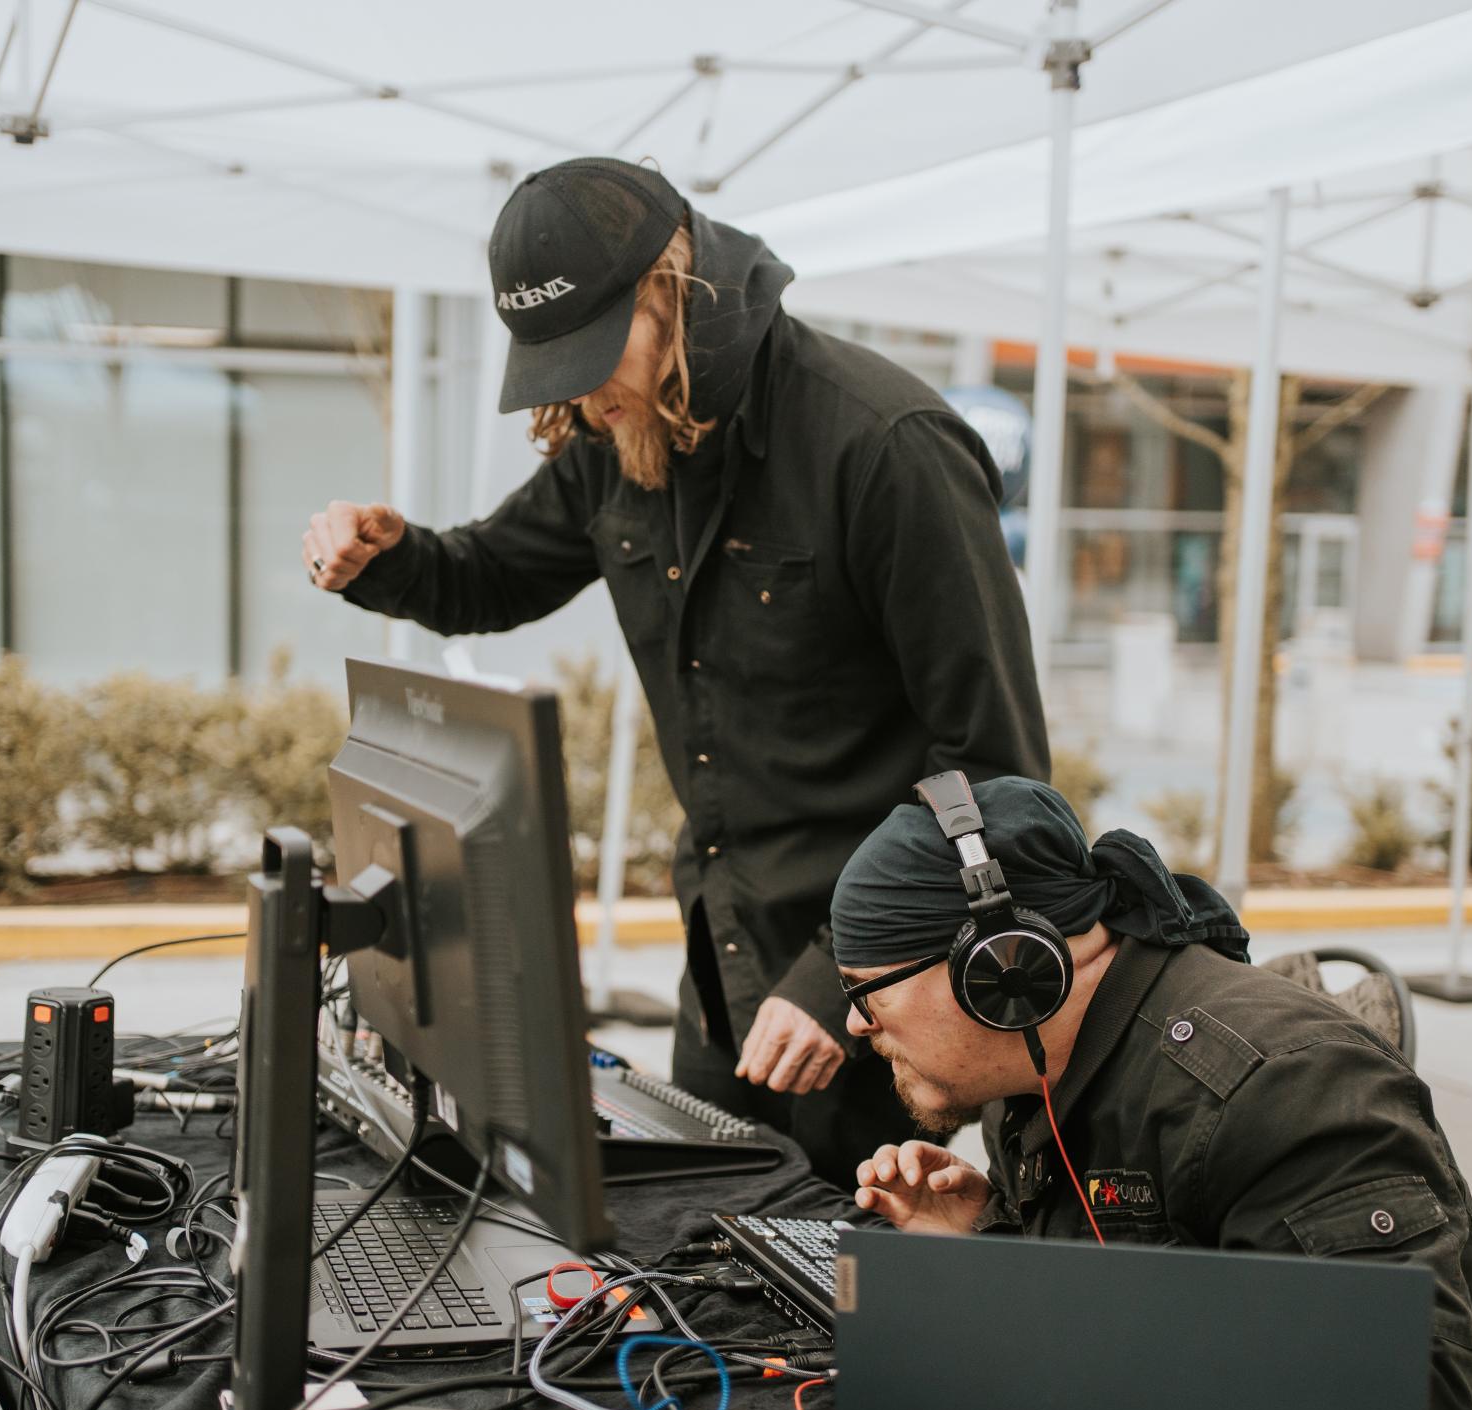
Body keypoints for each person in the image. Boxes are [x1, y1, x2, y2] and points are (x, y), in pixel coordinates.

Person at [299, 158, 1046, 1187]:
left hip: (878, 990)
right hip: (719, 967)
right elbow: (489, 576)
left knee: (841, 1306)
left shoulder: (886, 447)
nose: (573, 388)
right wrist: (385, 555)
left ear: (673, 289)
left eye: (590, 351)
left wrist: (839, 981)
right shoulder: (619, 431)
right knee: (698, 1274)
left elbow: (993, 779)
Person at [834, 774, 1472, 1410]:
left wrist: (1041, 1321)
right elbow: (1136, 1293)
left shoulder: (1284, 1083)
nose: (853, 1022)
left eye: (865, 991)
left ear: (1001, 970)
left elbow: (1415, 1408)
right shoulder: (1043, 1062)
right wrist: (985, 1244)